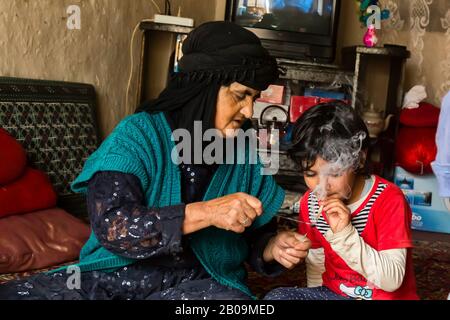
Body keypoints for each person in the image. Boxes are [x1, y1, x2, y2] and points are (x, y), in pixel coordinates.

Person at [0, 21, 311, 300]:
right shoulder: (138, 136)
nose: (248, 111)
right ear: (203, 88)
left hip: (201, 285)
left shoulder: (243, 150)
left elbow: (258, 235)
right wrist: (206, 213)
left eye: (254, 99)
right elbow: (114, 226)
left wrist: (273, 247)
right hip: (114, 278)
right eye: (240, 95)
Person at [265, 102, 419, 300]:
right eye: (310, 173)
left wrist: (345, 234)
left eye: (335, 173)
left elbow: (392, 280)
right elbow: (317, 262)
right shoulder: (311, 203)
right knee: (276, 298)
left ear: (359, 160)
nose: (323, 186)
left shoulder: (388, 200)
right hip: (335, 294)